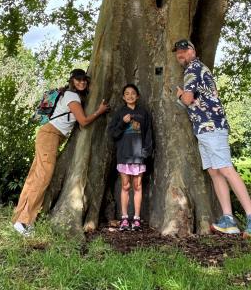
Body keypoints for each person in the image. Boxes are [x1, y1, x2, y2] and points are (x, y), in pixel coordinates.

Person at [172, 39, 251, 238]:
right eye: (177, 52)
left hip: (211, 126)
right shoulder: (198, 69)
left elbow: (187, 100)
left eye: (183, 51)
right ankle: (229, 220)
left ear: (192, 50)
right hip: (205, 128)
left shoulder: (192, 69)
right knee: (215, 172)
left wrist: (180, 96)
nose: (180, 54)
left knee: (226, 169)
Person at [12, 68, 110, 236]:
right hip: (50, 135)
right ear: (72, 81)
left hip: (48, 135)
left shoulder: (71, 96)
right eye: (78, 80)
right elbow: (83, 121)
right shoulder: (72, 96)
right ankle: (24, 221)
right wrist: (99, 111)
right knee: (43, 177)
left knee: (35, 177)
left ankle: (18, 218)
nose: (82, 82)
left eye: (84, 80)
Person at [108, 84, 153, 231]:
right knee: (125, 186)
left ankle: (137, 219)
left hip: (139, 156)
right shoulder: (120, 112)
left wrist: (146, 152)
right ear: (123, 97)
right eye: (126, 93)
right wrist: (123, 122)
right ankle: (125, 219)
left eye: (133, 93)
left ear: (137, 96)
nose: (130, 96)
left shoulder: (143, 113)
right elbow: (113, 133)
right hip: (124, 155)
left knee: (137, 186)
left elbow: (148, 133)